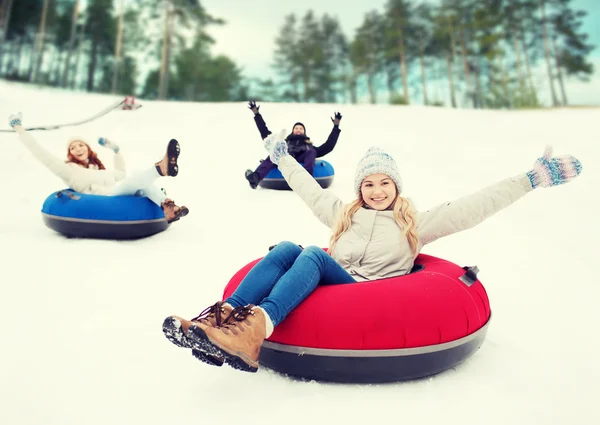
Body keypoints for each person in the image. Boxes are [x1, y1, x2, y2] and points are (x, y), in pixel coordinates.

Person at [164, 129, 582, 373]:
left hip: (363, 293)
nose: (376, 191)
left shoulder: (412, 225)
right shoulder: (343, 214)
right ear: (359, 189)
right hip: (324, 285)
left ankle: (259, 326)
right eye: (368, 184)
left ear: (395, 187)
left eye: (384, 183)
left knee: (311, 254)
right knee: (291, 247)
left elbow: (472, 207)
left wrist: (529, 180)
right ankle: (218, 320)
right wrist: (282, 159)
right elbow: (308, 188)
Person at [8, 112, 189, 223]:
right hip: (107, 200)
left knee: (140, 182)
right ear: (70, 153)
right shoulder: (68, 170)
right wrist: (18, 127)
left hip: (120, 193)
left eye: (81, 145)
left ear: (87, 148)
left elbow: (120, 174)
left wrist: (116, 150)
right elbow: (40, 152)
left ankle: (168, 207)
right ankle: (159, 169)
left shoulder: (99, 170)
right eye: (73, 147)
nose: (78, 148)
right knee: (135, 177)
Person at [244, 101, 342, 189]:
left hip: (304, 160)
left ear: (304, 132)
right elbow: (266, 135)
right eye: (296, 128)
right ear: (293, 131)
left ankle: (306, 180)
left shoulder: (309, 147)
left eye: (301, 128)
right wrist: (257, 114)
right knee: (274, 152)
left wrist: (336, 127)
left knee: (311, 152)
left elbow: (328, 146)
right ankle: (255, 178)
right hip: (286, 158)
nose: (298, 129)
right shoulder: (284, 143)